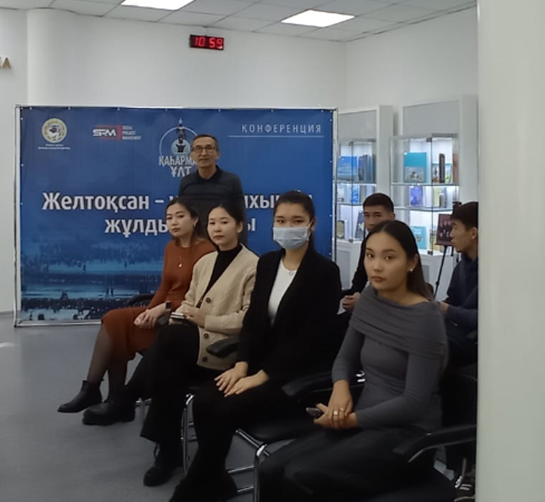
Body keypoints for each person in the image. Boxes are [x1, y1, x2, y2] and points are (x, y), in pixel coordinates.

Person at [258, 220, 448, 501]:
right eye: (370, 255)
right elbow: (345, 358)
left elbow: (414, 402)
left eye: (389, 257)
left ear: (411, 263)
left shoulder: (425, 318)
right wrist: (340, 389)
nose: (376, 266)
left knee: (300, 476)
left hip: (407, 437)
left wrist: (351, 420)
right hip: (363, 423)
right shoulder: (370, 297)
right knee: (271, 468)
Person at [170, 191, 342, 502]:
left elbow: (310, 340)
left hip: (295, 377)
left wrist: (261, 376)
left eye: (296, 221)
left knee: (224, 409)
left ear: (312, 225)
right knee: (204, 401)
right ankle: (216, 480)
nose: (288, 227)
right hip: (259, 364)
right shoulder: (268, 263)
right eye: (281, 221)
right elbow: (253, 322)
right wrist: (242, 365)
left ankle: (191, 489)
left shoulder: (325, 273)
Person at [57, 198, 215, 424]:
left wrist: (162, 308)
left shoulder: (207, 250)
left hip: (183, 318)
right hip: (162, 311)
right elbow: (164, 287)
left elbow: (200, 297)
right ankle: (97, 390)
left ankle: (116, 403)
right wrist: (147, 312)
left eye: (180, 216)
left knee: (119, 330)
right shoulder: (171, 248)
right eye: (169, 218)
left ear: (195, 219)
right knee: (115, 321)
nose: (174, 222)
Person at [139, 202, 258, 488]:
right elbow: (189, 302)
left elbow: (247, 319)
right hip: (192, 341)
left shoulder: (253, 265)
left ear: (239, 226)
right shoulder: (204, 262)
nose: (217, 228)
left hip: (224, 347)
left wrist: (205, 319)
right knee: (170, 367)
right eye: (212, 223)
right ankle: (169, 450)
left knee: (168, 339)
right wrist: (181, 316)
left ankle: (134, 401)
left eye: (224, 222)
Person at [178, 134, 247, 244]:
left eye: (209, 148)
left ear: (217, 154)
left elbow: (240, 217)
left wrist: (240, 247)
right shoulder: (186, 182)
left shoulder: (231, 181)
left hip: (223, 243)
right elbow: (181, 216)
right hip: (195, 244)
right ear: (192, 155)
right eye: (198, 149)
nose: (203, 153)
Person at [341, 193, 396, 315]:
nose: (371, 222)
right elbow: (361, 273)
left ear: (391, 217)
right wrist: (354, 294)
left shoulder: (399, 242)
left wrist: (364, 301)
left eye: (377, 215)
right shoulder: (368, 241)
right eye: (366, 216)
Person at [440, 201, 479, 368]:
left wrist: (447, 310)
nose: (451, 235)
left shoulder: (494, 273)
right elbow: (453, 300)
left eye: (455, 227)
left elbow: (487, 319)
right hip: (460, 333)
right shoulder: (461, 267)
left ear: (473, 233)